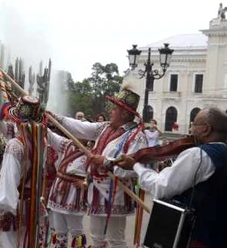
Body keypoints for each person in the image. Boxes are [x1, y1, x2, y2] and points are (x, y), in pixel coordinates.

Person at [51, 86, 148, 248]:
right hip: (96, 192)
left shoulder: (136, 136)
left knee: (115, 239)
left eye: (115, 108)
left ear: (124, 113)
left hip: (116, 195)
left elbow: (132, 167)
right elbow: (80, 127)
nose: (111, 111)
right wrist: (55, 117)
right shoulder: (104, 127)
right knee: (96, 237)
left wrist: (105, 161)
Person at [116, 107, 227, 248]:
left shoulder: (198, 155)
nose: (191, 130)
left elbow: (161, 187)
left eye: (194, 125)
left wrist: (135, 166)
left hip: (196, 238)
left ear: (206, 129)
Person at [0, 96, 54, 247]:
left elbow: (9, 182)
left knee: (11, 244)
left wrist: (0, 213)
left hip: (15, 206)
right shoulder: (41, 143)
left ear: (16, 119)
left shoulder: (14, 145)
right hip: (32, 204)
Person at [47, 130, 89, 248]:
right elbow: (50, 135)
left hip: (74, 195)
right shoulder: (66, 144)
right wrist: (42, 118)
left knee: (76, 231)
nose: (77, 136)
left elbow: (97, 175)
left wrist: (86, 183)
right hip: (58, 192)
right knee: (59, 230)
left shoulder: (91, 153)